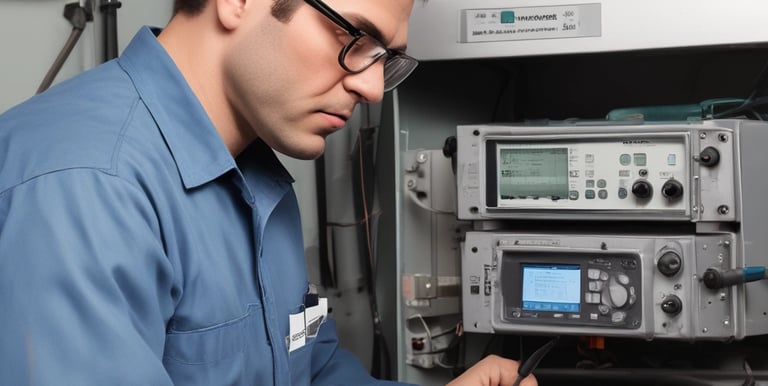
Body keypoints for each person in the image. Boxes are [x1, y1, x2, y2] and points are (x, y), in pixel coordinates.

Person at [0, 0, 537, 385]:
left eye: (385, 58)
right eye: (354, 37)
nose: (372, 87)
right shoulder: (85, 183)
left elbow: (311, 368)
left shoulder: (260, 177)